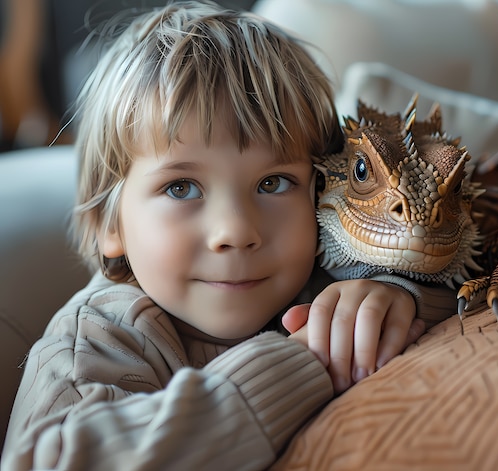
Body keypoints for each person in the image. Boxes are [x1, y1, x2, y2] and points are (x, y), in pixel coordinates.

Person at [1, 2, 455, 469]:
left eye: (273, 183)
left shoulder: (318, 271)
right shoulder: (96, 343)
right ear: (107, 226)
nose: (236, 231)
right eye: (181, 188)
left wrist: (396, 296)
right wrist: (299, 364)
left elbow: (457, 274)